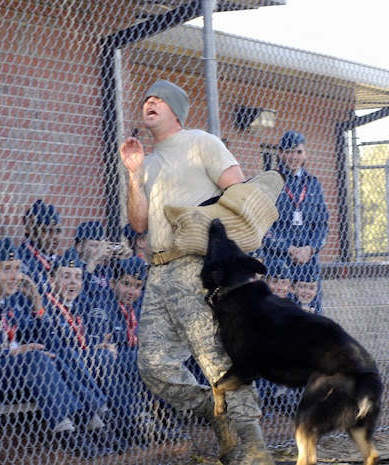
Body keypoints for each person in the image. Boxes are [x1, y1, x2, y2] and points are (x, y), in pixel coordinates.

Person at [119, 79, 274, 464]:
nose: (149, 103)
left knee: (214, 355)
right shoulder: (148, 162)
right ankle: (214, 413)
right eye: (147, 99)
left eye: (159, 100)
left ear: (176, 111)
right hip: (157, 272)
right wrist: (135, 175)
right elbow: (138, 223)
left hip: (195, 265)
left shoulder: (201, 142)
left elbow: (237, 191)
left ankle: (252, 441)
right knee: (152, 365)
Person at [0, 238, 111, 459]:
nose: (16, 277)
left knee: (62, 354)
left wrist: (38, 306)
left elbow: (52, 343)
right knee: (36, 359)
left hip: (17, 374)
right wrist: (13, 353)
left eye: (18, 270)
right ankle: (69, 433)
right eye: (7, 270)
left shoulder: (12, 301)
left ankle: (95, 422)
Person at [260, 130, 329, 314]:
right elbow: (262, 226)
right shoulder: (269, 181)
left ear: (305, 154)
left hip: (308, 262)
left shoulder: (313, 184)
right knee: (280, 317)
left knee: (312, 318)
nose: (294, 157)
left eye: (298, 152)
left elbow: (322, 224)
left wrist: (310, 249)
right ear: (280, 153)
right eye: (289, 151)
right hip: (279, 262)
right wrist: (289, 249)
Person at [18, 199, 62, 295]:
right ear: (33, 232)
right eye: (47, 231)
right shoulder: (21, 260)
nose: (54, 237)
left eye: (57, 231)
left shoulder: (62, 261)